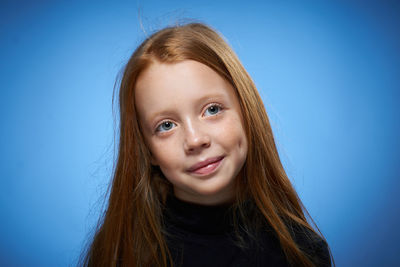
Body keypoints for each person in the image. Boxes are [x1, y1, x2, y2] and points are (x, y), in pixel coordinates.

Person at [81, 22, 333, 267]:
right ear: (147, 151)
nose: (195, 140)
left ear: (247, 112)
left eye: (212, 110)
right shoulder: (122, 254)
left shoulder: (301, 252)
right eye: (166, 125)